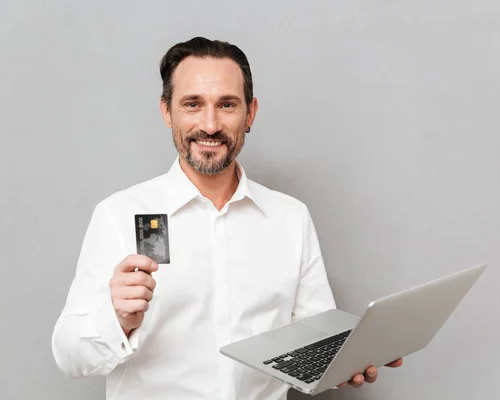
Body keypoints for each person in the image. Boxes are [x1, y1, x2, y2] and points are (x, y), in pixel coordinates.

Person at [51, 36, 402, 400]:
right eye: (192, 104)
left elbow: (314, 340)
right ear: (167, 111)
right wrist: (118, 320)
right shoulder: (119, 215)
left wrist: (350, 357)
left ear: (249, 113)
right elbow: (68, 356)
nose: (210, 124)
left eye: (227, 105)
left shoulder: (290, 217)